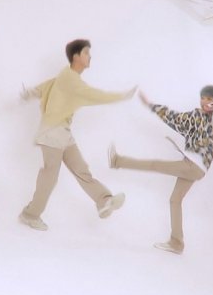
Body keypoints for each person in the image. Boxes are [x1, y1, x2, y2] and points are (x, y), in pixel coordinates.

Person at [107, 85, 213, 254]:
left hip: (195, 166)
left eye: (209, 99)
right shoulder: (195, 116)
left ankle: (117, 161)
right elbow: (173, 117)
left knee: (155, 165)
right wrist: (150, 105)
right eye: (203, 98)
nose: (204, 102)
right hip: (190, 164)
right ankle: (177, 243)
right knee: (175, 200)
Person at [19, 39, 136, 231]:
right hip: (52, 133)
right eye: (86, 53)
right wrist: (121, 96)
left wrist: (29, 93)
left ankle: (104, 201)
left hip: (63, 133)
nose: (90, 56)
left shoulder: (66, 76)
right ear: (76, 56)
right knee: (50, 175)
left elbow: (46, 86)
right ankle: (30, 215)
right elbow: (94, 95)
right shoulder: (70, 79)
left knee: (82, 170)